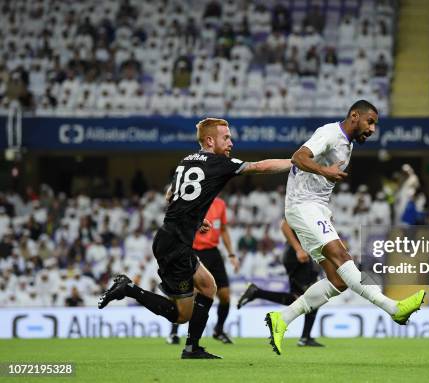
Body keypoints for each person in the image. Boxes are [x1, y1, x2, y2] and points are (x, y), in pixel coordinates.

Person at [98, 118, 291, 359]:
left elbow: (171, 195)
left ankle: (193, 347)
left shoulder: (186, 161)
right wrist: (295, 162)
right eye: (226, 137)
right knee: (181, 315)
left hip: (173, 238)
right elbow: (260, 167)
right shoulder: (219, 163)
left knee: (209, 287)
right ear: (210, 140)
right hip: (174, 245)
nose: (231, 142)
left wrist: (196, 218)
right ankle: (130, 289)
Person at [265, 100, 426, 355]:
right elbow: (298, 157)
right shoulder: (329, 133)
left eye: (375, 124)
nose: (372, 129)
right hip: (303, 206)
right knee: (343, 258)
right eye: (369, 122)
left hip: (316, 208)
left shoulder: (347, 144)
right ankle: (393, 309)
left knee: (338, 280)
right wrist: (323, 171)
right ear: (354, 116)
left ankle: (282, 319)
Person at [237, 219, 323, 347]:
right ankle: (305, 338)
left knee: (301, 298)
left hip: (300, 254)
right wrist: (299, 249)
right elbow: (285, 224)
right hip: (297, 255)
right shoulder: (303, 204)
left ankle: (256, 292)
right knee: (313, 295)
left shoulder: (314, 210)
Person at [166, 197, 239, 345]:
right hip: (193, 252)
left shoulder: (220, 204)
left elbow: (223, 229)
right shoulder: (193, 200)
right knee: (188, 294)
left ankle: (219, 330)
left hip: (213, 253)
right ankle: (174, 333)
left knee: (225, 295)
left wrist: (231, 254)